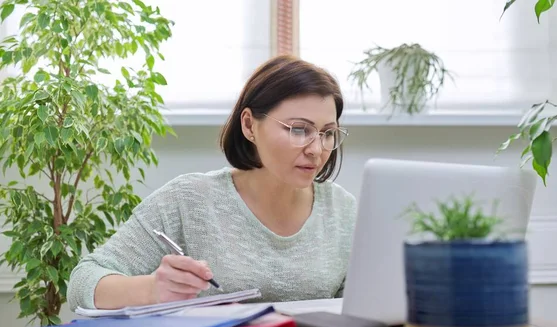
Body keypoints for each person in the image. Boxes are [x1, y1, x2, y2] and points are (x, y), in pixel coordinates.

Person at [66, 55, 357, 311]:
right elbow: (82, 283)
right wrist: (152, 289)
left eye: (327, 133)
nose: (316, 149)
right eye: (299, 129)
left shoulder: (344, 211)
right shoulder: (188, 200)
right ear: (248, 125)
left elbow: (358, 310)